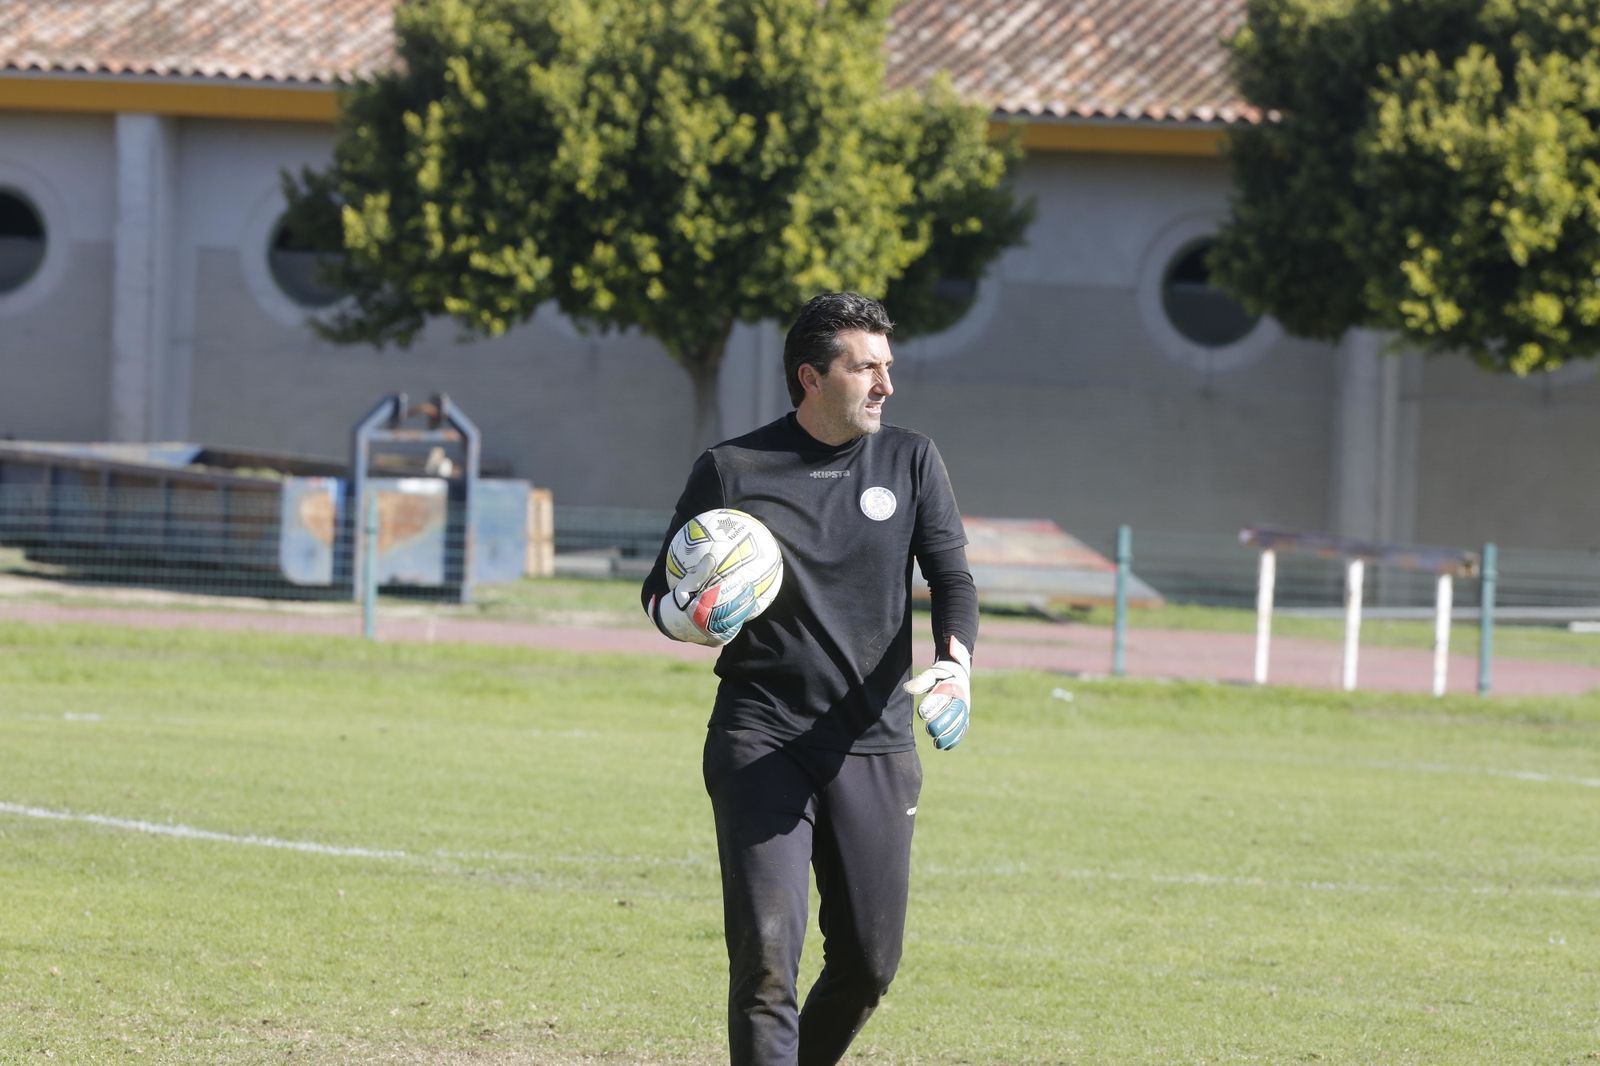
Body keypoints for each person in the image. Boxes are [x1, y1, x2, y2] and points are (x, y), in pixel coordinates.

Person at [641, 291, 979, 1066]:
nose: (885, 385)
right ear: (811, 377)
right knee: (766, 961)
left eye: (887, 367)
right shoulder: (732, 470)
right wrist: (690, 619)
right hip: (761, 737)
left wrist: (956, 668)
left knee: (868, 964)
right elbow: (659, 595)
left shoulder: (911, 459)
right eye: (865, 368)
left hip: (872, 739)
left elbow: (953, 580)